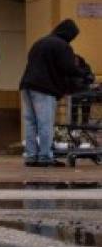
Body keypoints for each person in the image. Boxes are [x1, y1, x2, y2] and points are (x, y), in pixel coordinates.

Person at [18, 19, 82, 167]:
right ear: (69, 34)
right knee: (45, 123)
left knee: (30, 123)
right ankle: (45, 157)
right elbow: (68, 68)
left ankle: (31, 156)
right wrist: (83, 74)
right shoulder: (62, 46)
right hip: (44, 88)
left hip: (26, 85)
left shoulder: (40, 42)